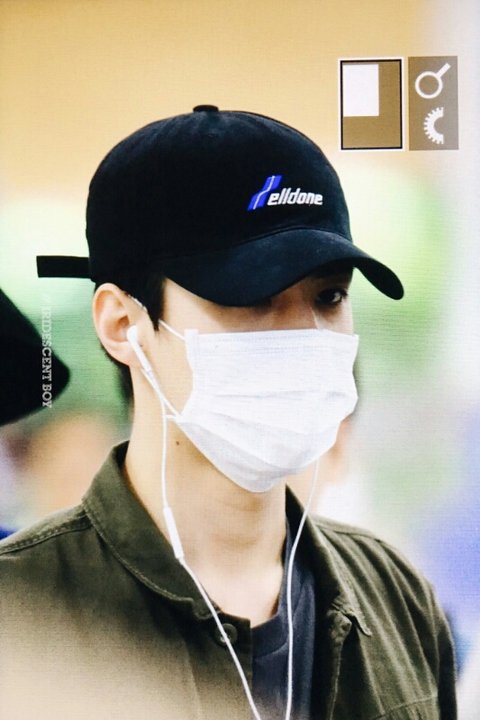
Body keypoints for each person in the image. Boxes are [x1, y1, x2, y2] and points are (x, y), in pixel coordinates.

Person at [1, 106, 456, 719]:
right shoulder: (22, 612)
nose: (304, 336)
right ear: (123, 324)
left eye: (329, 295)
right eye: (252, 296)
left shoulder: (396, 599)